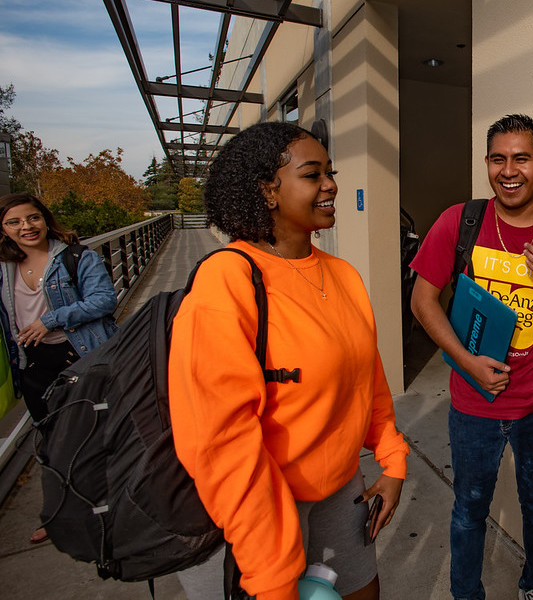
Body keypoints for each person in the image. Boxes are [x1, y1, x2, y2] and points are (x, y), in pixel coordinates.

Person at [168, 122, 409, 600]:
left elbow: (368, 381)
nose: (331, 185)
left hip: (343, 489)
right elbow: (224, 443)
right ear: (267, 190)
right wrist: (274, 582)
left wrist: (393, 460)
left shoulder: (343, 275)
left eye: (330, 172)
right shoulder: (227, 281)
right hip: (263, 504)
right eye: (312, 174)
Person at [410, 114, 533, 600]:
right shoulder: (460, 222)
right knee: (469, 509)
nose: (509, 169)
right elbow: (422, 301)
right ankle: (465, 594)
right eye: (499, 158)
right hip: (473, 405)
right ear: (487, 163)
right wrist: (466, 363)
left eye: (522, 157)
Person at [0, 192, 118, 544]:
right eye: (14, 222)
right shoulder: (4, 267)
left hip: (80, 356)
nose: (26, 227)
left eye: (32, 218)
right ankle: (58, 517)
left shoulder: (75, 257)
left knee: (96, 435)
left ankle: (112, 513)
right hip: (32, 363)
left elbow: (104, 300)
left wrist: (50, 320)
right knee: (52, 443)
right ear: (3, 229)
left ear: (45, 218)